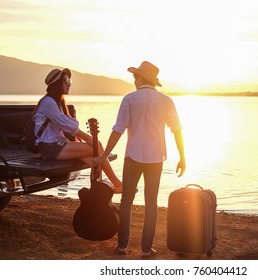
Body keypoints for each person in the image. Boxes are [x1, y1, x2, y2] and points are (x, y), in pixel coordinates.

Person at [92, 61, 186, 258]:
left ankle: (122, 247)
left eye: (135, 76)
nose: (133, 80)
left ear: (141, 78)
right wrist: (182, 157)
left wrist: (103, 155)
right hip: (155, 159)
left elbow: (118, 130)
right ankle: (145, 249)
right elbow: (177, 130)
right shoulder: (166, 101)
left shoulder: (130, 99)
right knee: (151, 202)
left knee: (126, 201)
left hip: (133, 157)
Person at [34, 68, 122, 193]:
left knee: (94, 161)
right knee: (97, 147)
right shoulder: (48, 103)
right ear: (57, 83)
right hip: (50, 147)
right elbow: (70, 127)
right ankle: (118, 184)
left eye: (70, 81)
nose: (69, 84)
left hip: (59, 144)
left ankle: (96, 193)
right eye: (66, 80)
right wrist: (89, 138)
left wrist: (73, 122)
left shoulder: (58, 103)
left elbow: (72, 124)